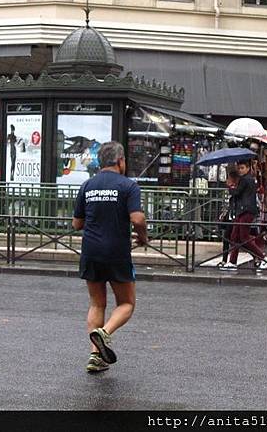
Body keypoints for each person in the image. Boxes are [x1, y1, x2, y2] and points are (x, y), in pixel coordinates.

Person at [72, 141, 148, 373]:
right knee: (126, 303)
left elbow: (77, 223)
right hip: (116, 252)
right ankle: (104, 333)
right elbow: (137, 219)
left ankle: (96, 357)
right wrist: (143, 237)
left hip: (91, 251)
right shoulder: (128, 186)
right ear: (121, 161)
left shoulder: (88, 185)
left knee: (97, 303)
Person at [225, 160, 267, 271]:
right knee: (235, 236)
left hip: (245, 210)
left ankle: (263, 257)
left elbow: (237, 192)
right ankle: (232, 261)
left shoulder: (246, 180)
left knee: (243, 237)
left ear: (247, 168)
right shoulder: (249, 179)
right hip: (243, 210)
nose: (240, 170)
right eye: (239, 168)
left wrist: (231, 187)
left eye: (242, 168)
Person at [219, 167, 239, 269]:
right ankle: (224, 260)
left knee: (240, 240)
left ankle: (258, 257)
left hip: (235, 218)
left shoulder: (237, 189)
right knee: (227, 238)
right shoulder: (229, 190)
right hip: (230, 218)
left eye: (229, 178)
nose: (227, 180)